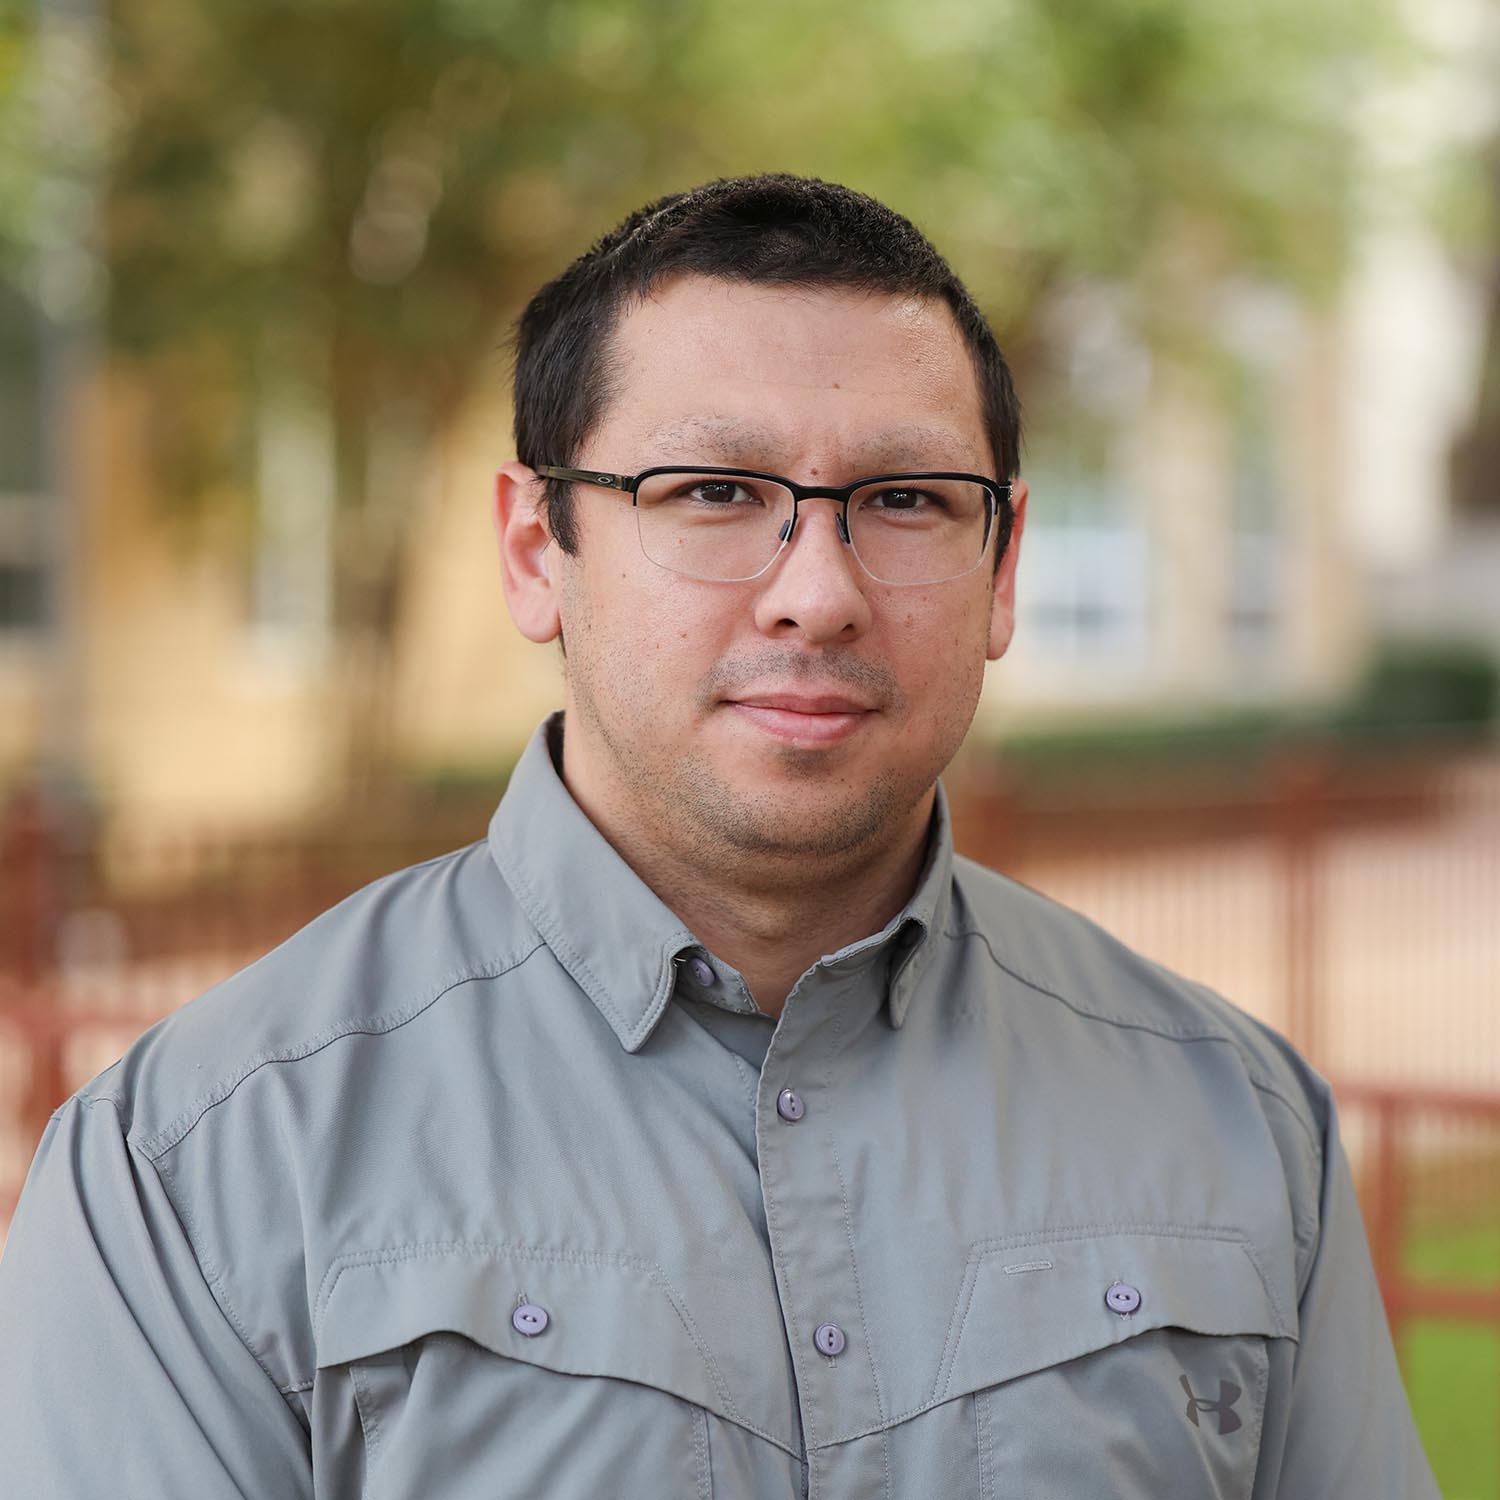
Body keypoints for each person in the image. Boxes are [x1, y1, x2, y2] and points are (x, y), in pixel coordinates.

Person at [0, 174, 1437, 1497]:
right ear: (534, 550)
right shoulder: (194, 1168)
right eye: (713, 493)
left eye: (907, 500)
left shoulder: (1242, 1125)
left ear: (1004, 568)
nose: (817, 590)